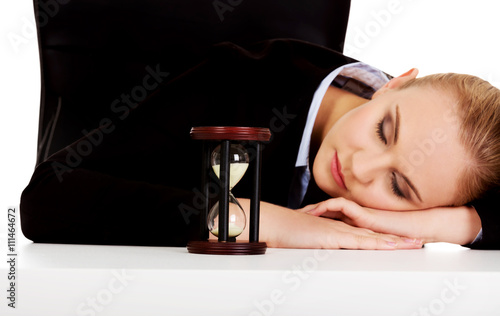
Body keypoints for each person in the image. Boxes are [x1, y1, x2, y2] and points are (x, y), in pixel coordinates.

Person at [19, 39, 500, 250]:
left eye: (398, 184)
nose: (360, 166)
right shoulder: (235, 80)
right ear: (394, 84)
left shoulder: (445, 169)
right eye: (383, 130)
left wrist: (455, 223)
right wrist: (255, 220)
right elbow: (45, 199)